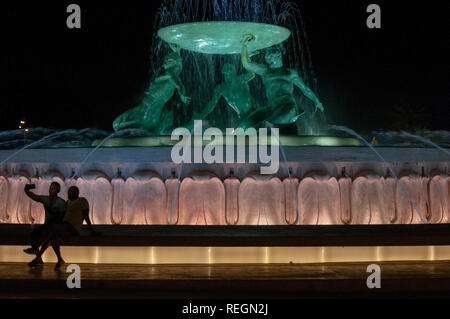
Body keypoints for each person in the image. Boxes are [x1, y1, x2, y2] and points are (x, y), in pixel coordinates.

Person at [238, 34, 324, 129]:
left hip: (288, 107)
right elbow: (247, 64)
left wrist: (316, 101)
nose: (267, 59)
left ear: (278, 56)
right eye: (267, 57)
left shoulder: (290, 73)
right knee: (243, 126)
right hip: (271, 108)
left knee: (264, 126)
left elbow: (304, 88)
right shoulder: (265, 71)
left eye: (270, 57)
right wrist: (244, 45)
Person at [112, 45, 191, 134]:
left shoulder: (171, 74)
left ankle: (131, 131)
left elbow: (178, 81)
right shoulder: (168, 74)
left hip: (151, 110)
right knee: (139, 123)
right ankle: (129, 130)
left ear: (173, 62)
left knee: (144, 123)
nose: (164, 64)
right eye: (165, 61)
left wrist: (182, 94)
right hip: (150, 108)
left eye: (167, 61)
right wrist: (182, 95)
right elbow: (178, 83)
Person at [28, 186, 99, 270]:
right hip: (63, 226)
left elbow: (85, 216)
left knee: (50, 228)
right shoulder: (68, 202)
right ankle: (58, 259)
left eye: (71, 192)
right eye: (69, 192)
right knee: (52, 238)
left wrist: (91, 230)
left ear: (77, 193)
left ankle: (35, 248)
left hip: (72, 228)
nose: (69, 193)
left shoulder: (82, 201)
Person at [23, 182, 66, 265]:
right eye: (50, 187)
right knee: (35, 233)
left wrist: (52, 214)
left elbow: (60, 218)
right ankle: (56, 259)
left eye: (53, 188)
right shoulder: (46, 199)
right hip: (48, 226)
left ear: (58, 190)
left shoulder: (61, 203)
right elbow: (35, 197)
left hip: (57, 226)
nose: (51, 189)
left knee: (48, 238)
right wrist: (26, 190)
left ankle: (36, 254)